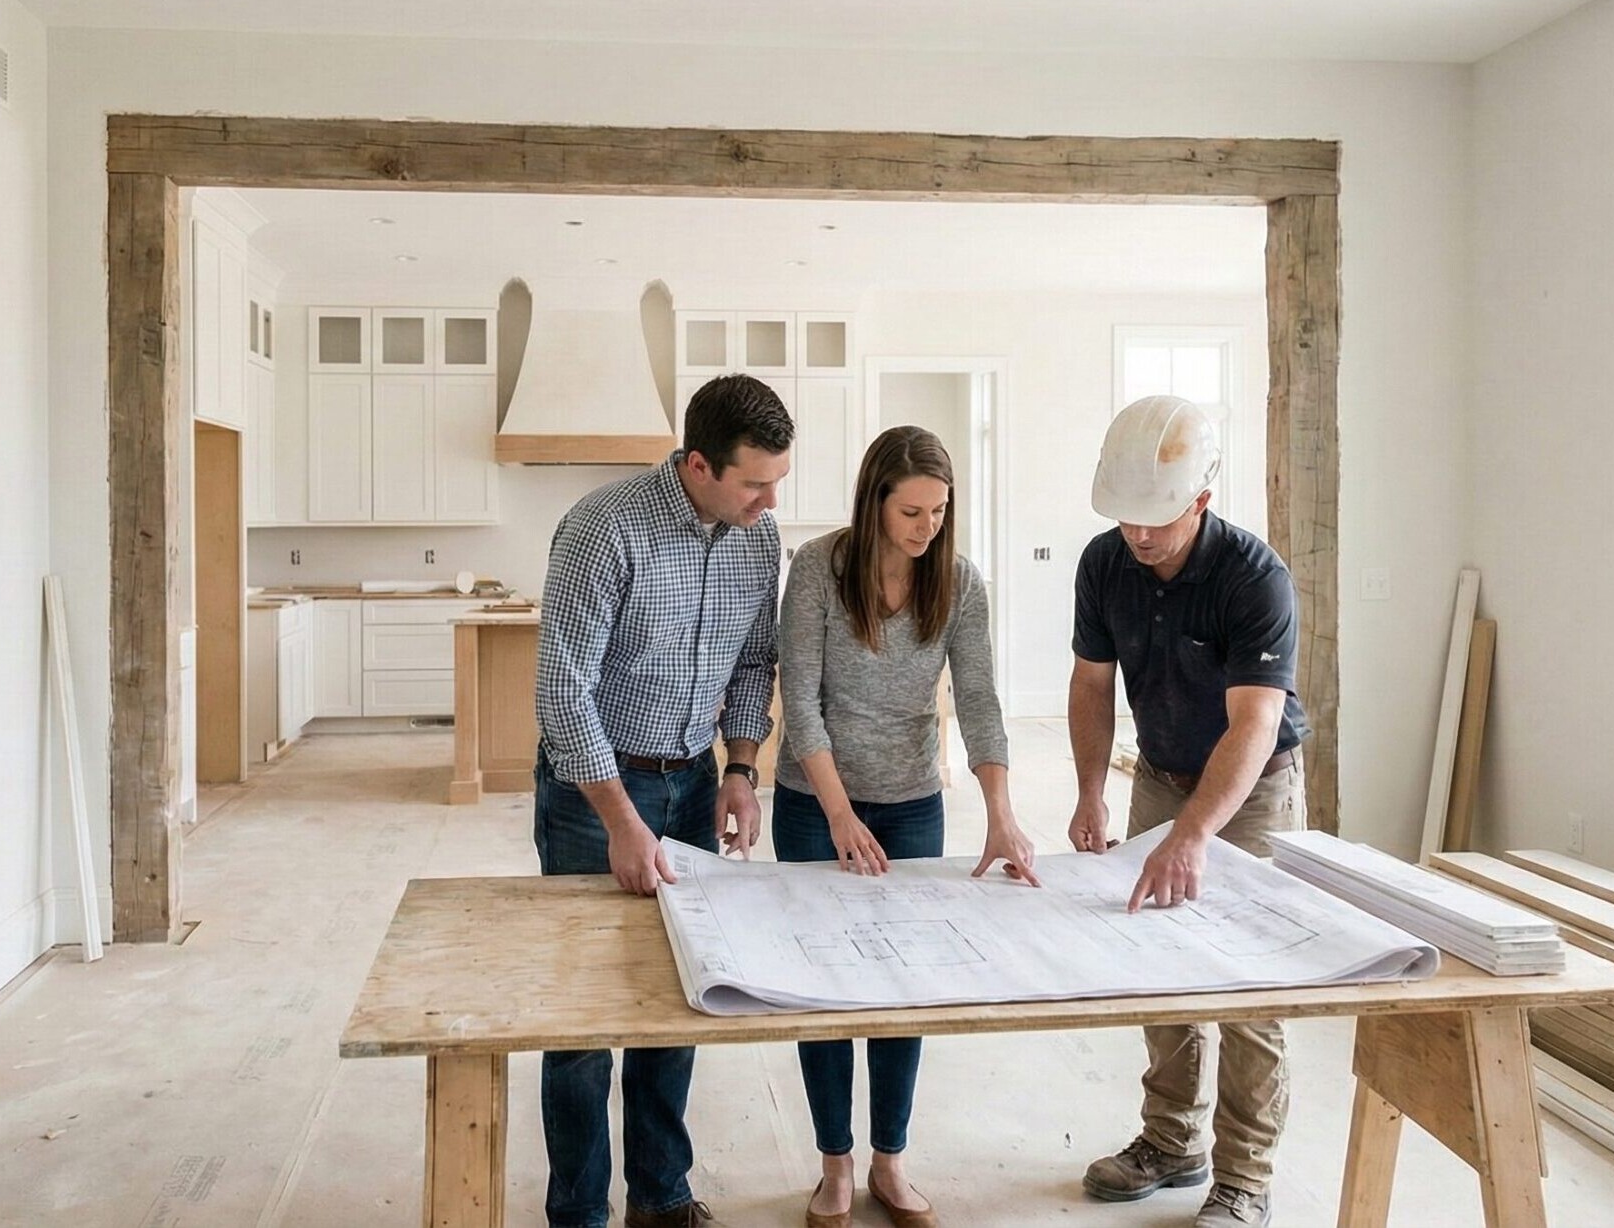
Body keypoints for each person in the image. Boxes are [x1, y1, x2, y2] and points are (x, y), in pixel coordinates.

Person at [533, 374, 794, 1228]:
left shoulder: (760, 541)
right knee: (582, 1008)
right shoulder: (604, 529)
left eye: (777, 482)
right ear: (696, 464)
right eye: (754, 483)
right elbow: (563, 693)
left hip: (694, 780)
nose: (768, 501)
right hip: (597, 787)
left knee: (683, 991)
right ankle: (578, 1211)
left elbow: (755, 664)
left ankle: (660, 1193)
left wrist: (741, 769)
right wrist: (620, 820)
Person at [775, 425, 1039, 1228]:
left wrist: (1001, 814)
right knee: (823, 992)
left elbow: (982, 700)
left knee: (903, 986)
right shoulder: (818, 568)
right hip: (816, 805)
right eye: (911, 512)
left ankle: (890, 1163)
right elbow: (804, 703)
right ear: (875, 502)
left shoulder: (957, 581)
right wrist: (841, 813)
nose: (926, 527)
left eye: (938, 512)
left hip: (914, 801)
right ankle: (834, 1166)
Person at [1067, 396, 1312, 1228]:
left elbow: (1256, 724)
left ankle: (1245, 1175)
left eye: (1156, 519)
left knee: (1250, 976)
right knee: (1157, 961)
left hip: (1251, 789)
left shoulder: (1254, 577)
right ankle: (1171, 1141)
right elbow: (1091, 684)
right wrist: (1093, 789)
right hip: (1160, 771)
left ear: (1200, 499)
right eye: (1126, 518)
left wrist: (1194, 834)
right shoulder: (1105, 564)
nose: (1139, 535)